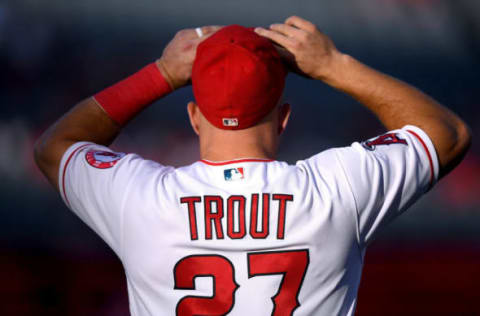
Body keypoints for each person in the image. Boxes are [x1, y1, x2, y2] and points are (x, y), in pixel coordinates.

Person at [34, 16, 470, 316]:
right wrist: (333, 66)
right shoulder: (336, 191)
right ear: (283, 118)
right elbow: (447, 134)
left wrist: (161, 74)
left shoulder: (141, 198)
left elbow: (56, 146)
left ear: (193, 116)